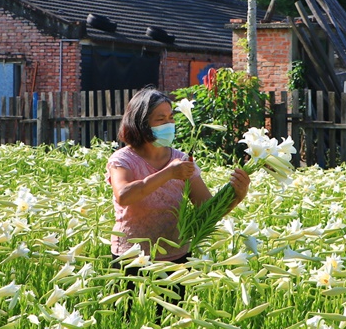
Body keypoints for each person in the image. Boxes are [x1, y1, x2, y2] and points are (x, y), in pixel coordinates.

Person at [107, 87, 250, 266]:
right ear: (141, 124)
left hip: (176, 257)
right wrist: (169, 173)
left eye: (171, 118)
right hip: (130, 257)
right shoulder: (123, 159)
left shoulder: (182, 160)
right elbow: (124, 195)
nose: (169, 124)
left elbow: (207, 210)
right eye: (160, 119)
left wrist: (238, 195)